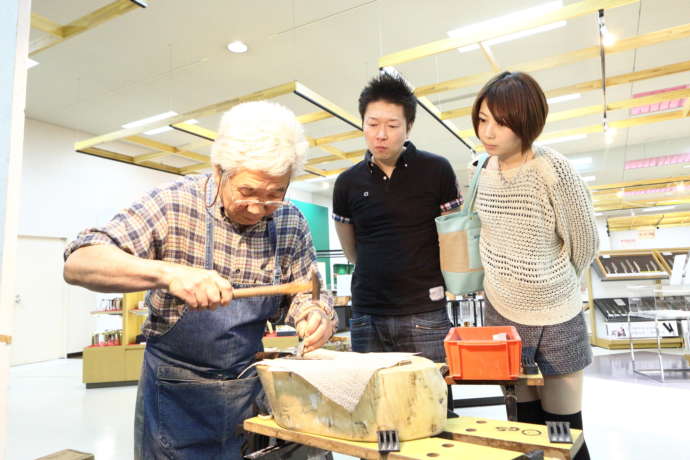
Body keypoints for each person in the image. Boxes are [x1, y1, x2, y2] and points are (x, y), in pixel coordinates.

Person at [63, 101, 337, 459]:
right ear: (219, 169)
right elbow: (80, 261)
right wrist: (168, 273)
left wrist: (315, 315)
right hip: (176, 401)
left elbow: (306, 293)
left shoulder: (290, 221)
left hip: (251, 392)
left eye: (274, 195)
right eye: (248, 192)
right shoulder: (173, 205)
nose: (258, 208)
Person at [470, 71, 598, 460]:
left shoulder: (552, 169)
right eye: (483, 119)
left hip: (557, 314)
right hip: (503, 313)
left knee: (563, 430)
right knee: (523, 430)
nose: (488, 132)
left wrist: (554, 283)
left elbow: (586, 242)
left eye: (501, 122)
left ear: (527, 122)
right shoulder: (480, 170)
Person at [332, 72, 462, 364]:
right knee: (371, 405)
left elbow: (454, 240)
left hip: (424, 312)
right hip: (367, 314)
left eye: (392, 125)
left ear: (409, 126)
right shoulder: (347, 182)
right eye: (372, 124)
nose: (380, 134)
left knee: (428, 403)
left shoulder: (436, 170)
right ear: (362, 123)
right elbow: (351, 250)